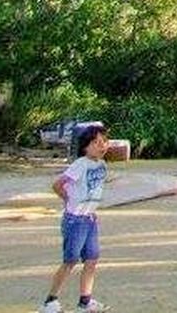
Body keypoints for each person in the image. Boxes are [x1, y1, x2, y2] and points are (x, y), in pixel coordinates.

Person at [41, 124, 111, 313]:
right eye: (96, 143)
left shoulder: (102, 165)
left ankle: (85, 301)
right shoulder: (80, 164)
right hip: (75, 220)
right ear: (85, 146)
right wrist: (68, 199)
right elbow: (58, 184)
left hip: (89, 219)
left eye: (104, 142)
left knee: (91, 259)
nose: (102, 146)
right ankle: (50, 301)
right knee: (70, 260)